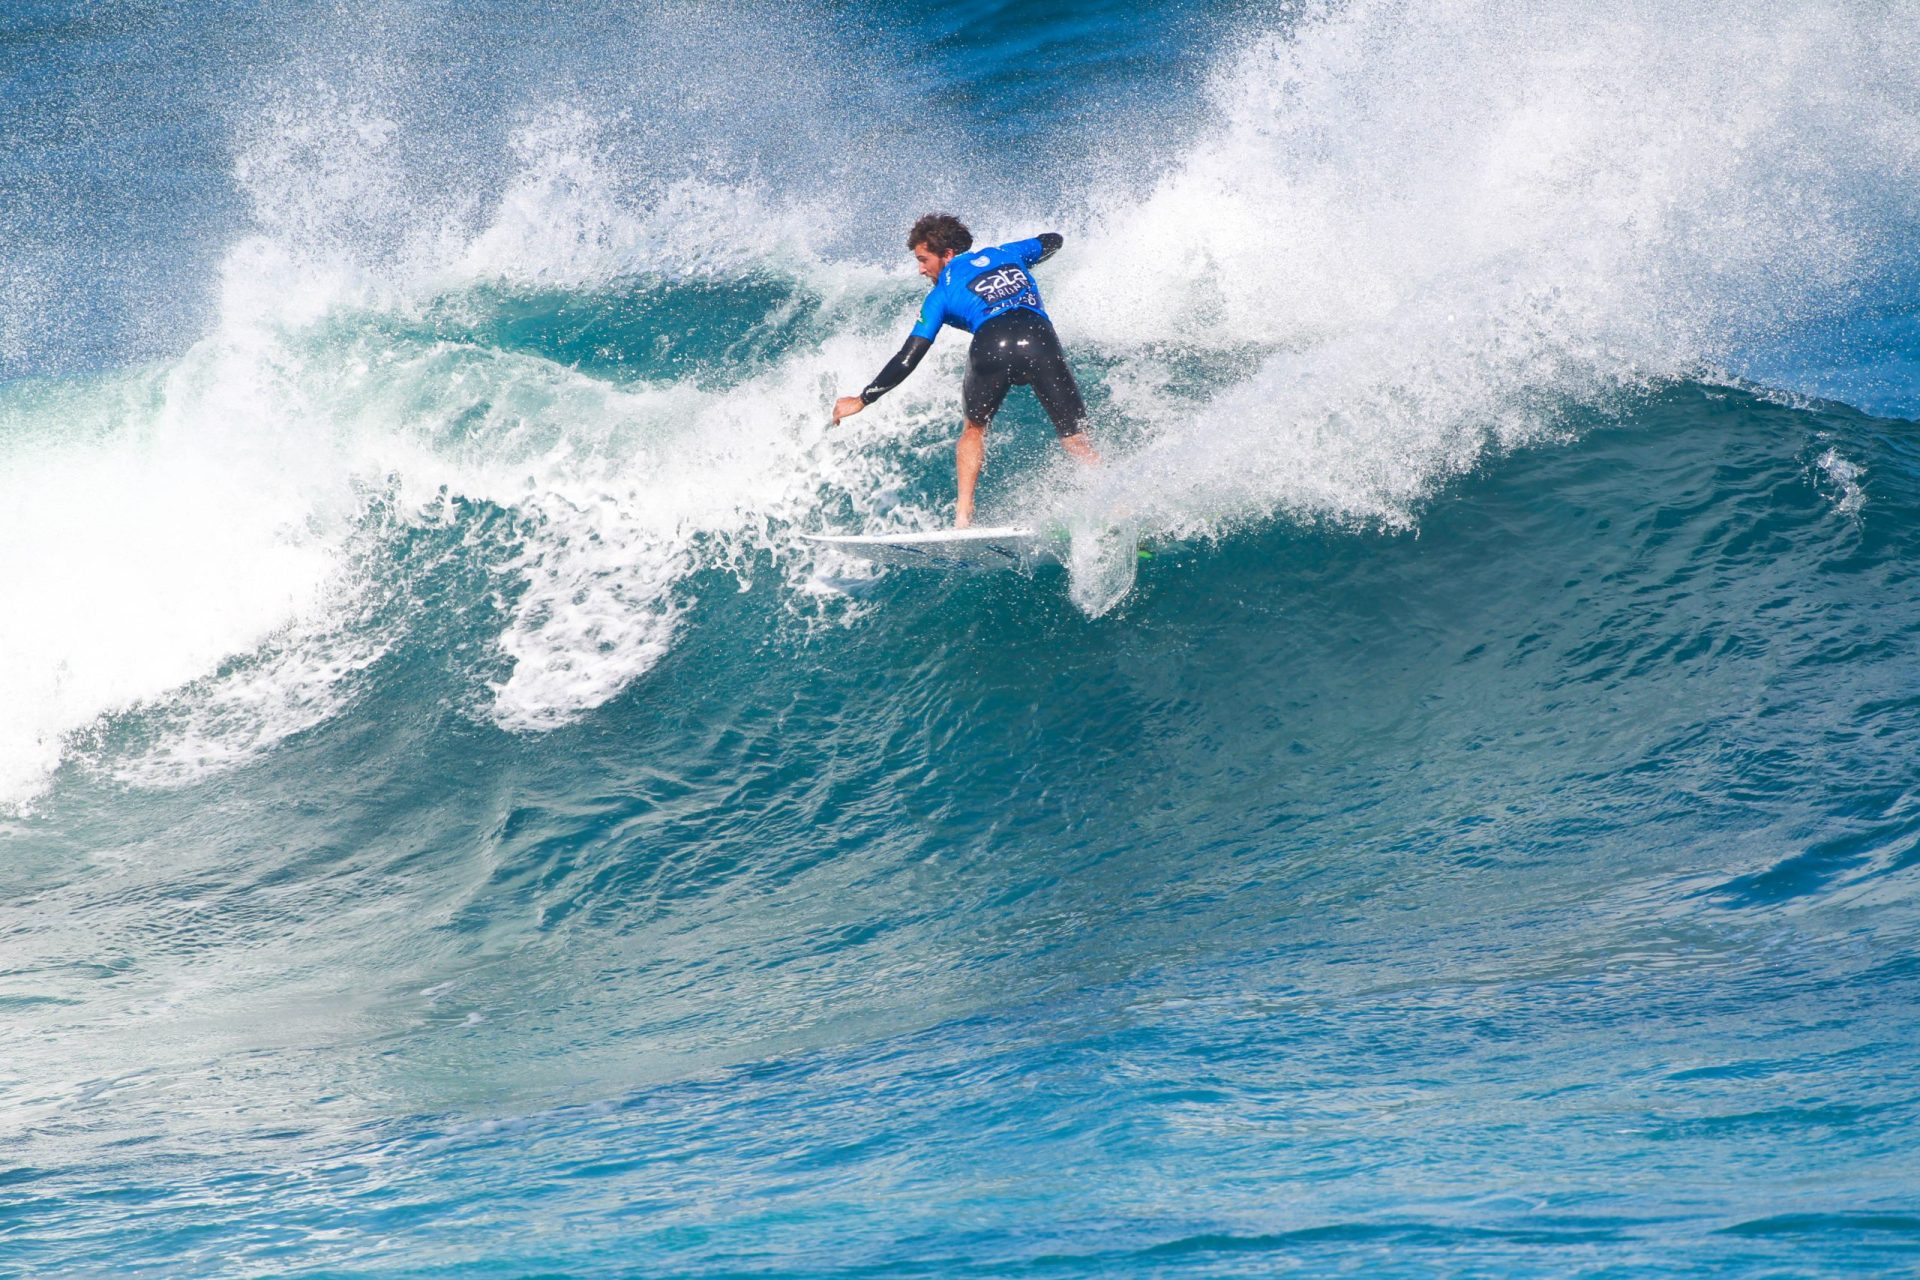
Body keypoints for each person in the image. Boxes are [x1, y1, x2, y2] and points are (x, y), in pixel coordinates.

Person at [832, 213, 1098, 528]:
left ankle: (962, 519)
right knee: (1074, 436)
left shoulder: (940, 295)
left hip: (992, 343)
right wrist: (1023, 265)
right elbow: (1053, 240)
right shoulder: (1007, 254)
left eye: (923, 259)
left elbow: (909, 356)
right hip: (1038, 337)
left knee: (973, 430)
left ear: (947, 255)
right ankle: (1114, 504)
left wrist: (863, 399)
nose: (920, 269)